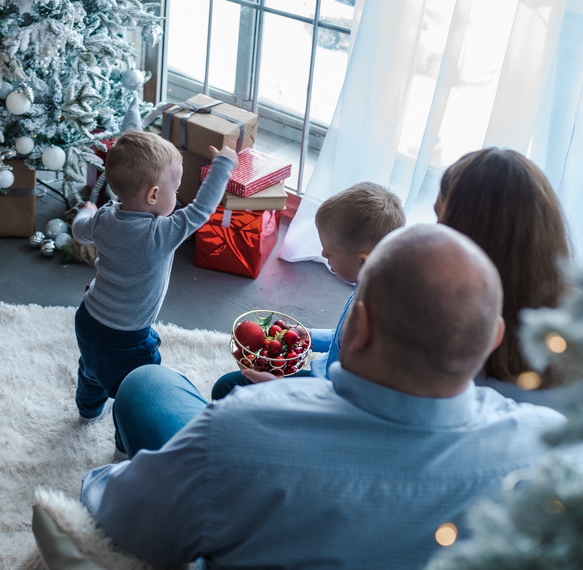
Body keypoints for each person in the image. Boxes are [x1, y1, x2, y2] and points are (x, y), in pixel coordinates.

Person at [79, 224, 564, 570]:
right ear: (493, 336)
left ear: (363, 324)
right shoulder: (551, 453)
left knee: (148, 385)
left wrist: (111, 478)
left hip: (222, 468)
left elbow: (118, 517)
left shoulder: (241, 429)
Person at [70, 130, 237, 429]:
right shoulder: (161, 233)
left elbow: (79, 231)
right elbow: (202, 209)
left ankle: (88, 410)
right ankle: (126, 443)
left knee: (92, 369)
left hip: (88, 318)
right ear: (154, 195)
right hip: (127, 337)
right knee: (136, 392)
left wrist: (86, 210)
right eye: (175, 188)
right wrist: (223, 165)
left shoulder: (104, 217)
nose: (178, 195)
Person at [211, 181, 405, 398]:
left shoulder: (374, 319)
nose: (323, 255)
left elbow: (343, 398)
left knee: (227, 390)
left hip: (327, 395)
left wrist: (278, 388)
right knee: (229, 385)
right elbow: (342, 338)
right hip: (322, 378)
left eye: (330, 253)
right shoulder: (368, 284)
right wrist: (311, 337)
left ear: (362, 261)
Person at [435, 147, 572, 393]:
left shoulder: (437, 366)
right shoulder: (567, 350)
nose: (432, 233)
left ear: (467, 238)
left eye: (439, 220)